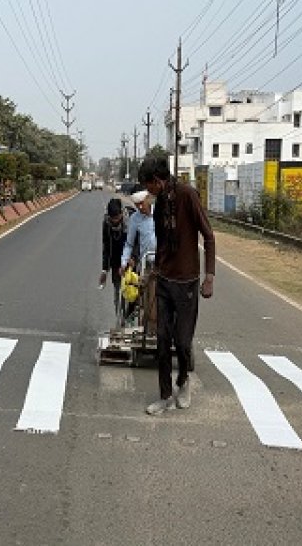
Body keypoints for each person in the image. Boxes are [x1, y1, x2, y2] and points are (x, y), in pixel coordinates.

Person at [139, 156, 216, 415]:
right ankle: (164, 396)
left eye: (148, 185)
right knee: (162, 341)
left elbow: (209, 235)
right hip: (164, 282)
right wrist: (154, 271)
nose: (147, 191)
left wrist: (209, 276)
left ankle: (183, 381)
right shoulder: (159, 204)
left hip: (187, 284)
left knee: (183, 343)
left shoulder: (187, 195)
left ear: (158, 181)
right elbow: (161, 241)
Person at [100, 197, 130, 317]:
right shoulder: (106, 224)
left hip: (130, 261)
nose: (115, 221)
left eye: (117, 218)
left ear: (122, 213)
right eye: (113, 219)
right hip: (115, 263)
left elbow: (135, 242)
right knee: (117, 290)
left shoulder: (129, 222)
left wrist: (131, 258)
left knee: (131, 291)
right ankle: (119, 319)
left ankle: (129, 316)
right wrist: (104, 269)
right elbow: (106, 247)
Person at [119, 190, 156, 276]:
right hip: (146, 264)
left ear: (148, 200)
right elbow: (129, 244)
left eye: (142, 203)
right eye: (137, 205)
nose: (140, 207)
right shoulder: (134, 219)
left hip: (163, 263)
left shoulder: (160, 212)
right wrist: (124, 263)